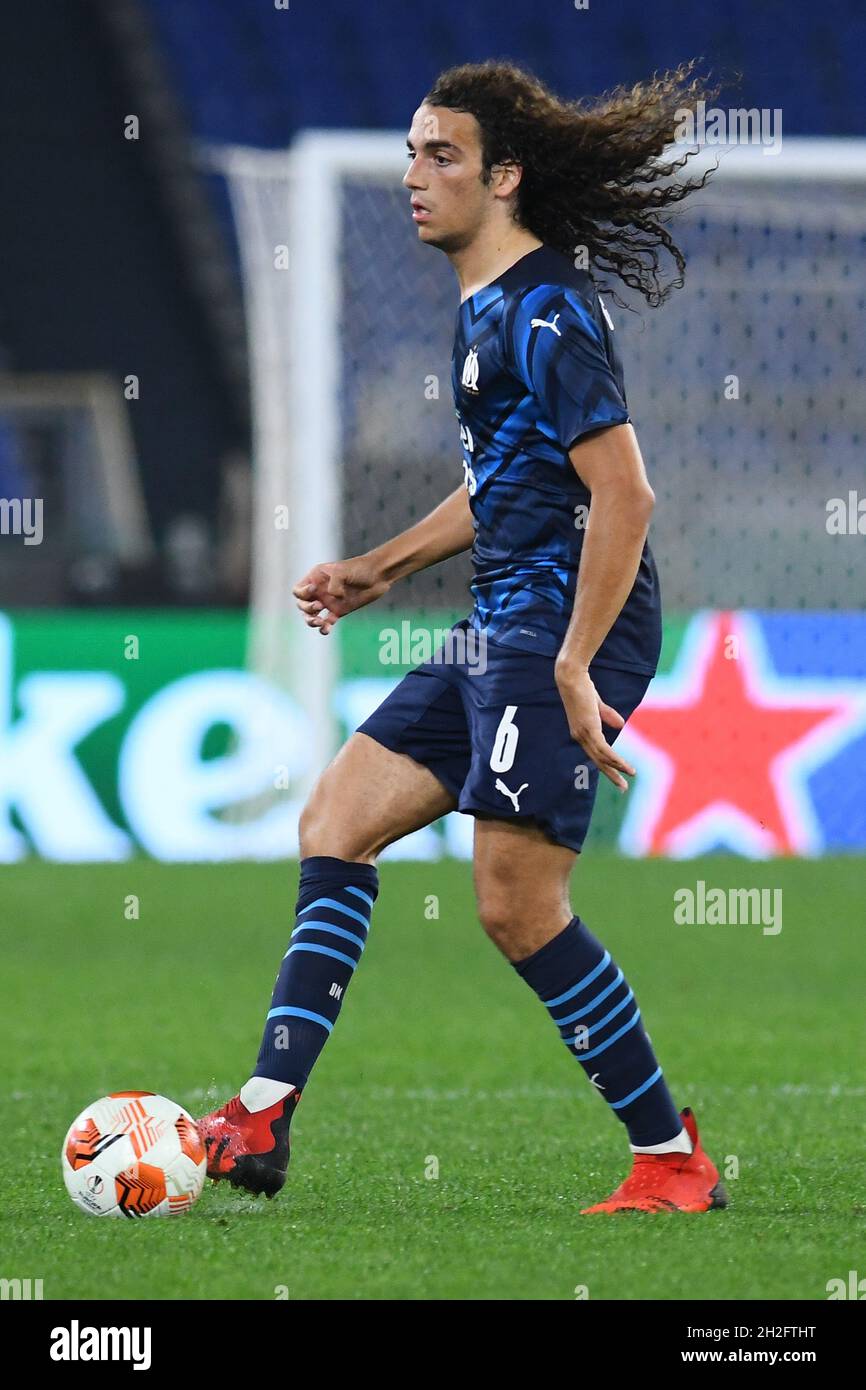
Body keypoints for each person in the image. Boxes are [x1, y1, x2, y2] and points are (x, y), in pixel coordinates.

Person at [199, 59, 727, 1214]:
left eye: (439, 155)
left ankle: (670, 1158)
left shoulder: (548, 311)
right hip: (503, 624)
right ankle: (263, 1114)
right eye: (407, 153)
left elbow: (624, 496)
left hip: (561, 629)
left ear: (505, 177)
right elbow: (505, 480)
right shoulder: (485, 311)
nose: (411, 176)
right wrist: (378, 567)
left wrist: (574, 663)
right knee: (336, 816)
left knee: (513, 904)